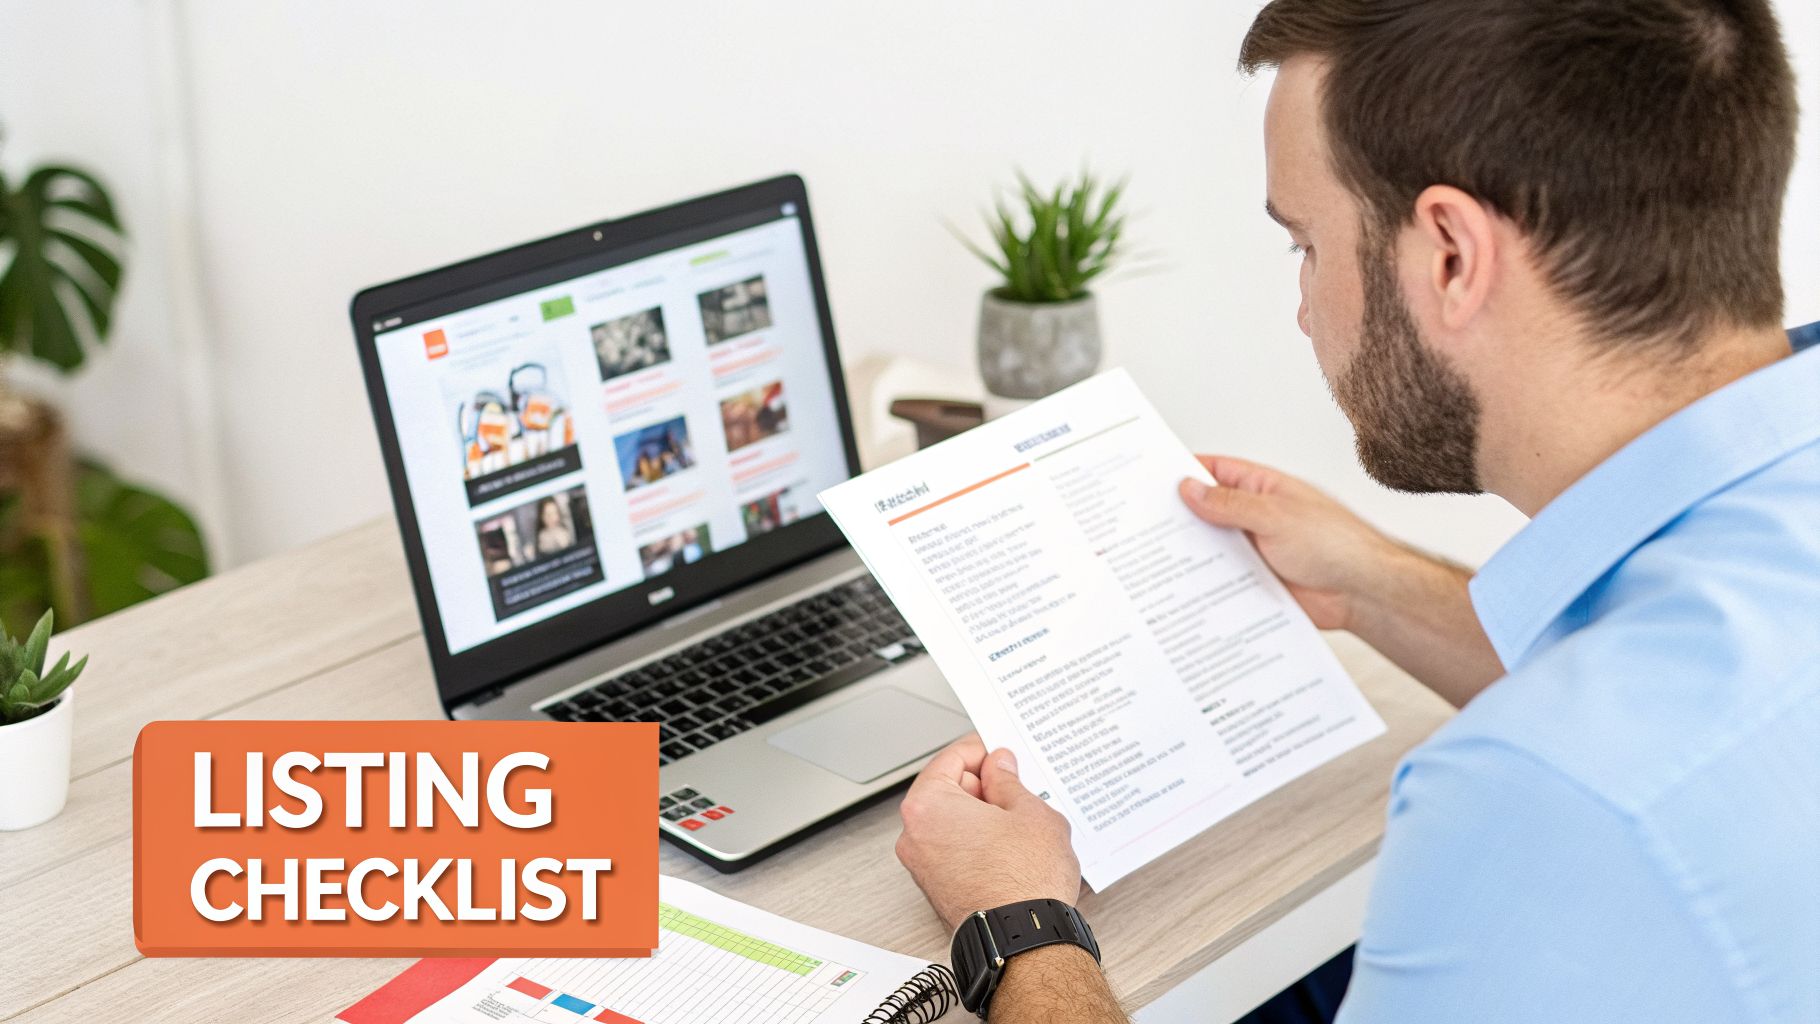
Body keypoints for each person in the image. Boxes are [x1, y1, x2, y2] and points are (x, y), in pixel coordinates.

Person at [892, 1, 1819, 1021]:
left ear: (1450, 257)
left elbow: (1601, 757)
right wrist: (1373, 581)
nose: (1301, 308)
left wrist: (1017, 922)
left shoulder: (1540, 793)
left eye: (1304, 245)